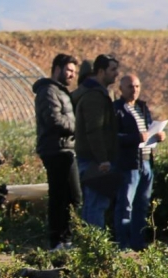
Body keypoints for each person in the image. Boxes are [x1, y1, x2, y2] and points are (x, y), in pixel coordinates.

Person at [33, 53, 81, 251]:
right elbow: (54, 120)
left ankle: (65, 238)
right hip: (56, 149)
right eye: (69, 70)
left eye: (74, 72)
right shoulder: (48, 91)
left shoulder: (60, 91)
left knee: (71, 196)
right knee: (61, 196)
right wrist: (79, 127)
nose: (72, 75)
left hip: (65, 148)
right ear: (57, 68)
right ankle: (57, 240)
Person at [113, 75, 165, 250]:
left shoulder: (142, 107)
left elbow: (149, 128)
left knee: (142, 204)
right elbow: (113, 137)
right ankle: (123, 242)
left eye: (137, 86)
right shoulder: (117, 109)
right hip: (129, 164)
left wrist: (157, 136)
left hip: (145, 161)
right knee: (126, 204)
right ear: (121, 89)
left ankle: (138, 241)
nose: (134, 89)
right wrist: (135, 138)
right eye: (130, 86)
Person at [74, 54, 120, 229]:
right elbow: (95, 130)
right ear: (101, 72)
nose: (116, 74)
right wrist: (103, 159)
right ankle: (94, 249)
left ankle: (89, 246)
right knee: (96, 206)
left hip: (92, 159)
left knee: (92, 205)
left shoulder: (94, 93)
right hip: (94, 161)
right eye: (112, 69)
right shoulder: (95, 96)